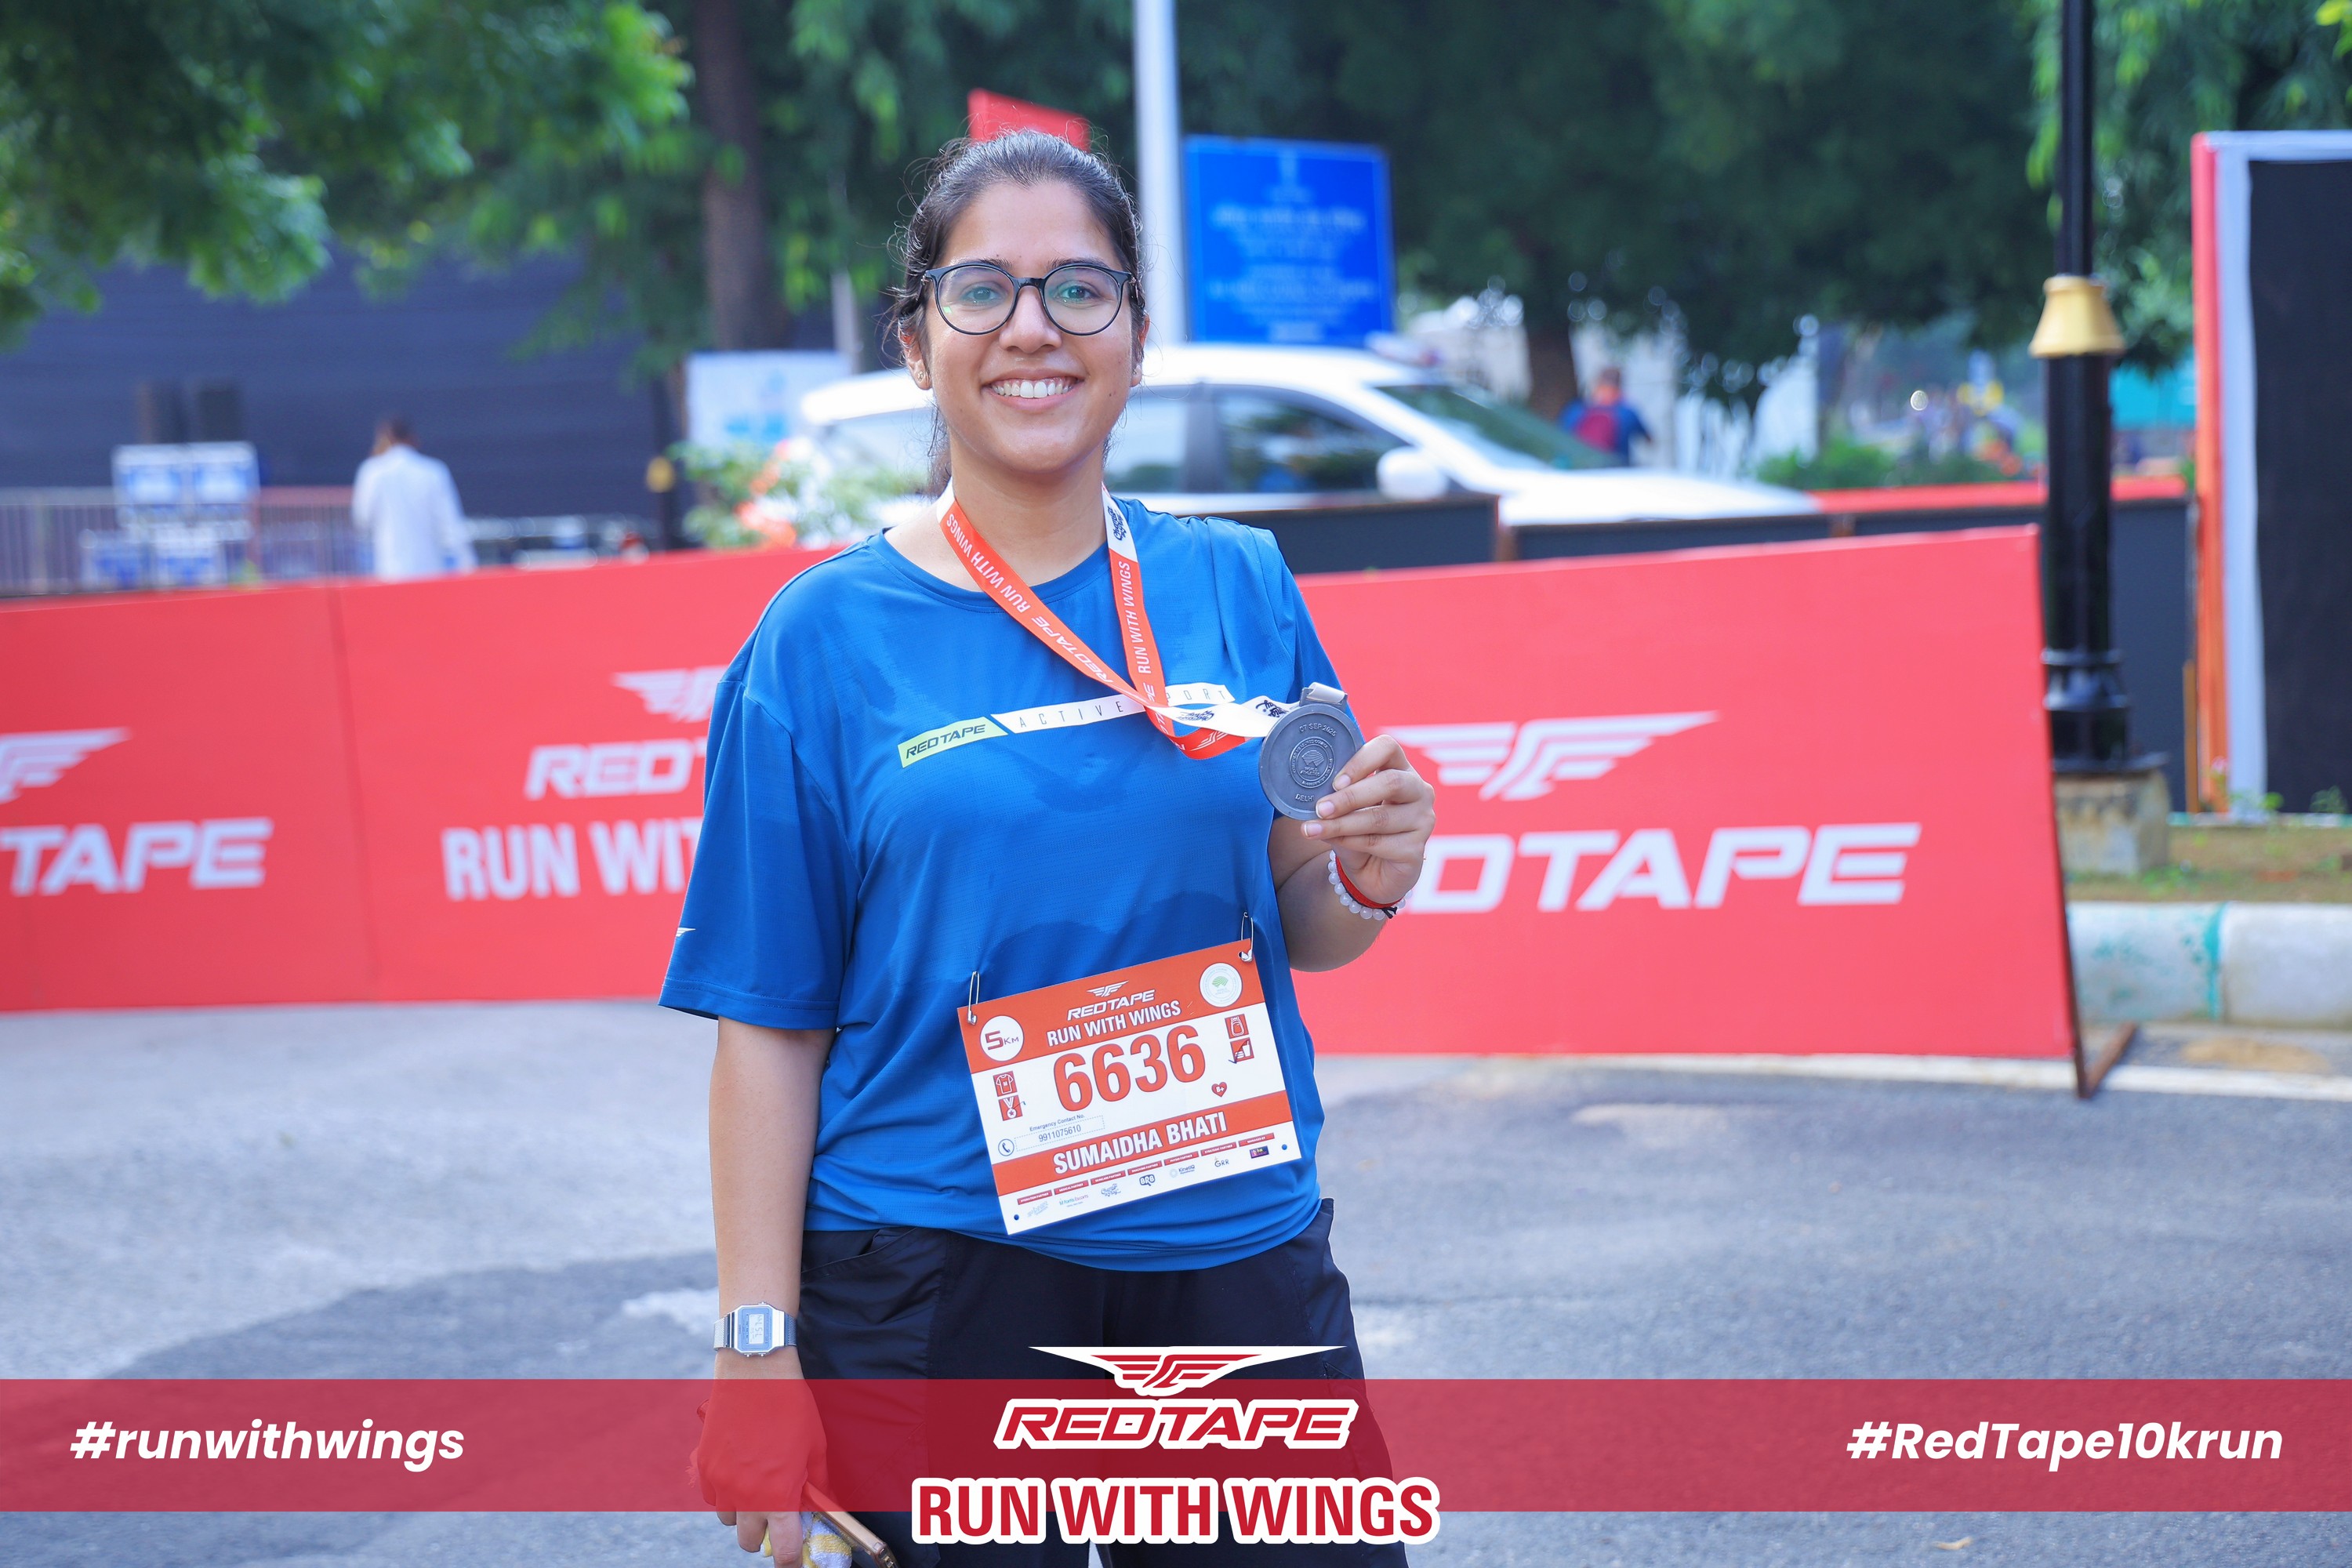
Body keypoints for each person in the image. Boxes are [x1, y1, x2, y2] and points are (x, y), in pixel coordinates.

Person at [662, 129, 1436, 1565]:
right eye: (983, 290)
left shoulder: (1238, 583)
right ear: (918, 344)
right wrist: (756, 1348)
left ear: (1136, 337)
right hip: (939, 1279)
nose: (1033, 327)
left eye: (1081, 288)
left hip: (1234, 1254)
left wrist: (1366, 875)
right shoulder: (820, 641)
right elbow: (768, 1025)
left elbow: (1301, 914)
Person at [351, 416, 476, 581]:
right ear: (412, 438)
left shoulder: (372, 471)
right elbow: (450, 521)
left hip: (389, 569)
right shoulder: (433, 471)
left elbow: (362, 519)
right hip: (430, 568)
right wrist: (467, 562)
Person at [1557, 366, 1651, 464]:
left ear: (1597, 386)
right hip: (1615, 470)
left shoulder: (1575, 410)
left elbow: (1560, 438)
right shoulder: (1628, 413)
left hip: (1580, 468)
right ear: (1619, 387)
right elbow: (1650, 441)